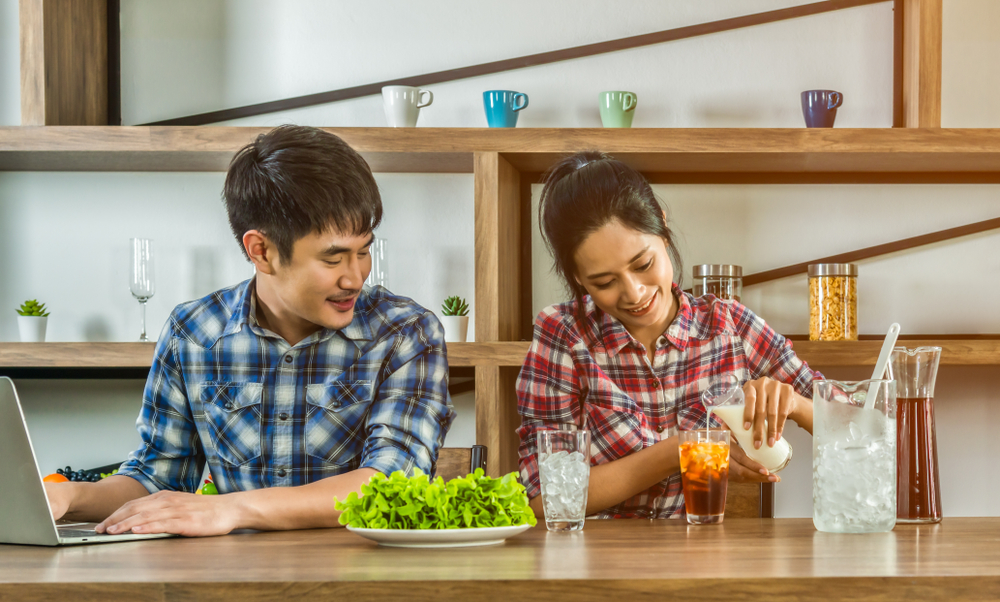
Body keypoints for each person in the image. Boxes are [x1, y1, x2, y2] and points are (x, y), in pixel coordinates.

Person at [45, 125, 455, 535]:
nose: (355, 277)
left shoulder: (406, 333)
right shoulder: (193, 332)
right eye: (334, 259)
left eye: (363, 251)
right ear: (261, 250)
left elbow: (393, 482)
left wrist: (231, 510)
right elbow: (158, 479)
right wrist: (67, 498)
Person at [517, 151, 818, 519]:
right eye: (604, 282)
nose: (634, 293)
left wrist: (796, 404)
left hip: (704, 562)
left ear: (661, 224)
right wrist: (682, 450)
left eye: (643, 265)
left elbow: (861, 426)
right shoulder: (564, 335)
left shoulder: (728, 326)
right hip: (597, 566)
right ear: (578, 277)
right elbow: (542, 499)